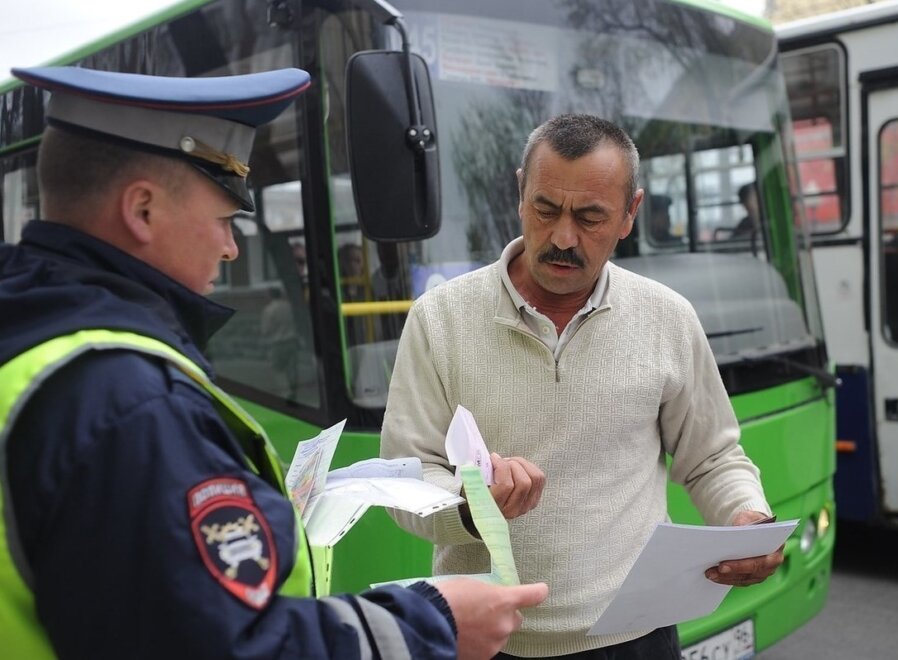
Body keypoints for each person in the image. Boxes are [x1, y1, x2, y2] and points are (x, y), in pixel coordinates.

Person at [0, 65, 546, 659]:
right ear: (143, 210)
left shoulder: (34, 343)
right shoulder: (127, 399)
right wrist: (430, 623)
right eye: (223, 220)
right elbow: (220, 645)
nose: (231, 247)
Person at [380, 113, 781, 658]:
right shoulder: (439, 319)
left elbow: (711, 458)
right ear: (521, 191)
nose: (562, 238)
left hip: (636, 637)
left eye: (591, 218)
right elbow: (404, 482)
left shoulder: (667, 317)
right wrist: (472, 506)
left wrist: (747, 519)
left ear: (630, 214)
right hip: (488, 639)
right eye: (546, 210)